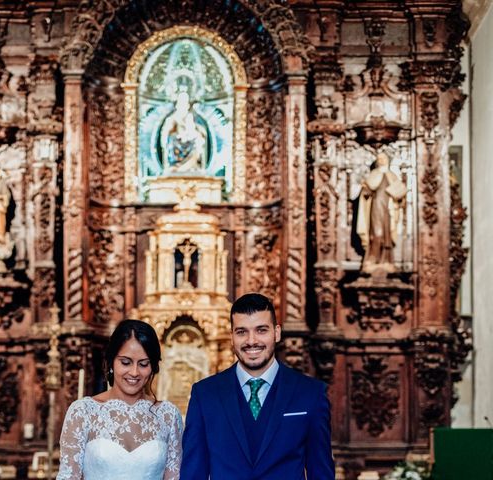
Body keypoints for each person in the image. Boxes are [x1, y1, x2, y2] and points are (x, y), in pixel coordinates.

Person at [180, 293, 334, 479]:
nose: (251, 341)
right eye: (242, 332)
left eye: (261, 330)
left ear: (276, 333)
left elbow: (321, 472)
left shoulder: (311, 393)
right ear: (232, 336)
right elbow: (193, 473)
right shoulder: (204, 394)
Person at [57, 319, 183, 480]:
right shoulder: (83, 412)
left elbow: (174, 476)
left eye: (143, 364)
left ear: (153, 367)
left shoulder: (169, 415)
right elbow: (69, 476)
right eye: (125, 362)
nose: (134, 372)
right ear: (111, 362)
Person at [356, 151, 407, 273]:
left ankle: (386, 260)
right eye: (379, 159)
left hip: (389, 209)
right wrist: (365, 190)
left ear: (388, 160)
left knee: (386, 235)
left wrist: (399, 196)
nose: (381, 161)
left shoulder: (392, 176)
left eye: (383, 158)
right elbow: (366, 193)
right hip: (376, 207)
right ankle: (372, 258)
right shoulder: (373, 174)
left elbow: (400, 194)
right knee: (376, 233)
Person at [160, 90, 207, 173]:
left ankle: (192, 165)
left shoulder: (190, 117)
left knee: (198, 141)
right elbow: (166, 133)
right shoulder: (172, 118)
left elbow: (194, 129)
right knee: (172, 140)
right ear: (177, 105)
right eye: (181, 103)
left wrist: (192, 133)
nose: (183, 105)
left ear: (188, 105)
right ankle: (175, 165)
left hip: (189, 140)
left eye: (185, 103)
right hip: (176, 142)